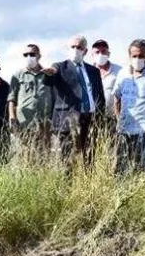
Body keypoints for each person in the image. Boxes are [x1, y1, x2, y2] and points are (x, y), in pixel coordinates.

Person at [44, 35, 106, 170]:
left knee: (89, 160)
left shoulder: (93, 71)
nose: (76, 50)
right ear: (68, 49)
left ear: (85, 51)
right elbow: (50, 78)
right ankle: (68, 189)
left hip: (90, 118)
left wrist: (100, 118)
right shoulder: (60, 67)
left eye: (79, 47)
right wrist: (49, 73)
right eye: (73, 47)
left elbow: (99, 96)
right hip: (68, 120)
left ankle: (87, 188)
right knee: (68, 162)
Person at [112, 39, 145, 175]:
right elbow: (116, 97)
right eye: (134, 56)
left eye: (141, 56)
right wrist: (119, 119)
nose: (137, 59)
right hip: (124, 131)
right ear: (129, 56)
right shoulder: (122, 74)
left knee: (144, 169)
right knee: (122, 170)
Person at [7, 44, 54, 160]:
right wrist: (12, 119)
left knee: (44, 154)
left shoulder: (47, 74)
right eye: (26, 54)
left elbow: (54, 97)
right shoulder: (18, 75)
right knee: (26, 155)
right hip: (24, 122)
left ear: (39, 56)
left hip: (44, 122)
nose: (29, 56)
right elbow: (11, 99)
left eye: (32, 54)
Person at [92, 39, 122, 134]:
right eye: (97, 52)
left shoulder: (119, 71)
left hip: (113, 118)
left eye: (103, 51)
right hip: (92, 118)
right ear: (92, 55)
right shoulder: (88, 71)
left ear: (108, 54)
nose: (100, 54)